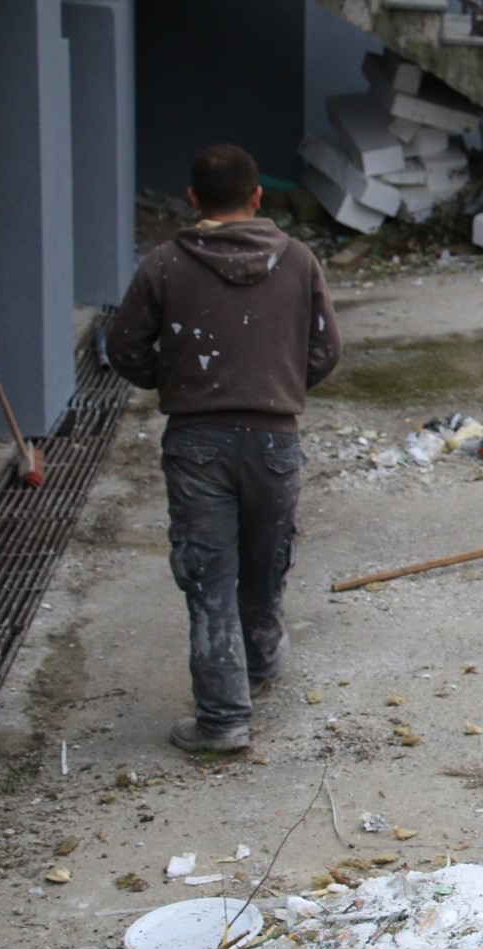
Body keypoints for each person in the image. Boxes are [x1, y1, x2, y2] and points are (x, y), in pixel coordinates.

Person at [106, 143, 341, 753]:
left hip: (197, 443)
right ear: (257, 195)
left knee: (209, 577)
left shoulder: (164, 264)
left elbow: (123, 347)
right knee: (265, 563)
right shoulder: (298, 260)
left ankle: (222, 719)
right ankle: (260, 659)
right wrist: (278, 386)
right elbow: (325, 351)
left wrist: (177, 378)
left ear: (193, 199)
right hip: (274, 439)